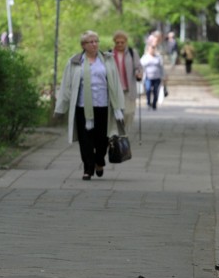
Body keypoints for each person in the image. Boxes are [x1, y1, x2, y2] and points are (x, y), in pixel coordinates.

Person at [54, 30, 125, 181]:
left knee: (102, 140)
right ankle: (88, 168)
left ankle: (99, 160)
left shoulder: (107, 60)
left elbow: (116, 84)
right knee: (85, 140)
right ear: (83, 45)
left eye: (96, 41)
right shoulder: (74, 62)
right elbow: (66, 86)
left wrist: (119, 106)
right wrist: (60, 108)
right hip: (82, 108)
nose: (94, 44)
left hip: (103, 106)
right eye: (90, 42)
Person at [110, 30, 143, 133]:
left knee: (129, 113)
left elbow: (138, 67)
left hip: (129, 89)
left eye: (122, 42)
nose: (120, 44)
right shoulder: (109, 54)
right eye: (117, 42)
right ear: (114, 42)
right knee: (117, 114)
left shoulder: (132, 53)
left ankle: (124, 134)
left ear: (126, 42)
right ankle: (117, 136)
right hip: (114, 90)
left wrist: (138, 72)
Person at [140, 44, 165, 110]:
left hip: (157, 77)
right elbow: (140, 65)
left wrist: (163, 76)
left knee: (155, 91)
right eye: (151, 48)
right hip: (148, 77)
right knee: (148, 90)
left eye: (153, 48)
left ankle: (154, 103)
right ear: (148, 50)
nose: (152, 50)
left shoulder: (158, 57)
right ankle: (148, 103)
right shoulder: (145, 57)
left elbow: (161, 67)